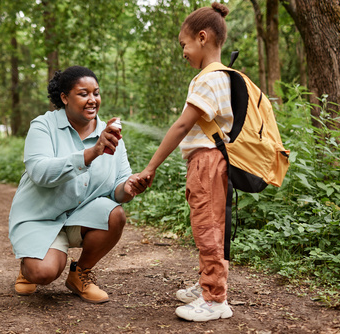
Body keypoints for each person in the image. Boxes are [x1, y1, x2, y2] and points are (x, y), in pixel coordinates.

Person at [8, 65, 146, 304]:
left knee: (116, 214)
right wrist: (91, 153)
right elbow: (40, 172)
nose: (92, 100)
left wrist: (129, 187)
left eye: (96, 93)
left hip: (80, 216)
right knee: (44, 273)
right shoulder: (43, 126)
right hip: (40, 216)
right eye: (84, 94)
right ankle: (28, 265)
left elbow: (118, 188)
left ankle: (79, 274)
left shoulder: (110, 134)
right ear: (64, 98)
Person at [135, 3, 234, 321]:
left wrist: (150, 167)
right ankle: (209, 283)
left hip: (206, 161)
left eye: (184, 44)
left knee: (208, 227)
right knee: (211, 226)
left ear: (202, 37)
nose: (183, 52)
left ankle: (215, 299)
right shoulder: (224, 76)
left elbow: (181, 126)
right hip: (213, 161)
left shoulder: (207, 79)